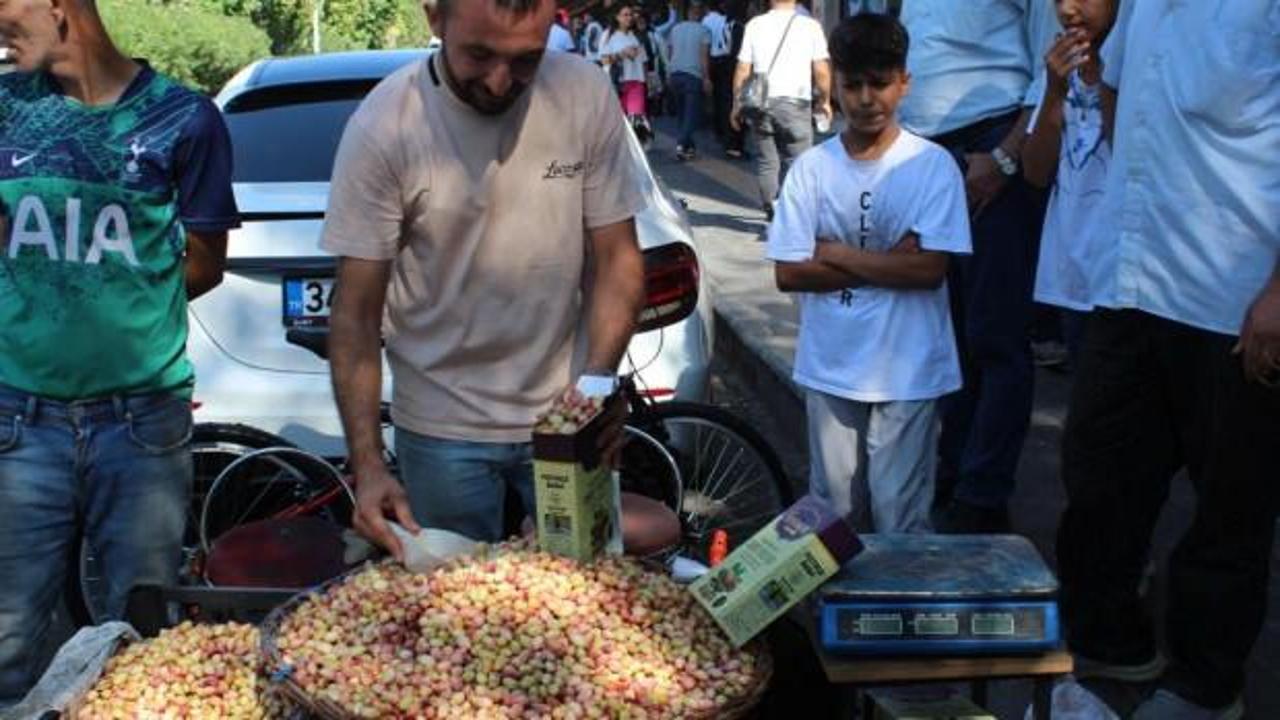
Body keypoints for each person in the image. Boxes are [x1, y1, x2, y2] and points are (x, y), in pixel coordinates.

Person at [322, 0, 646, 557]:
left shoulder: (583, 95)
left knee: (580, 612)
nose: (499, 82)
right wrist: (369, 464)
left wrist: (596, 387)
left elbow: (618, 258)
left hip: (566, 420)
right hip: (442, 431)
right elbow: (354, 315)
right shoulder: (385, 126)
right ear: (434, 17)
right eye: (479, 54)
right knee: (462, 622)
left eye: (526, 60)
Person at [0, 0, 234, 705]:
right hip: (18, 422)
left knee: (142, 642)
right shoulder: (5, 110)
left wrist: (114, 309)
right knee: (6, 640)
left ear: (58, 6)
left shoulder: (185, 120)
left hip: (141, 426)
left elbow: (205, 263)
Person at [1054, 1, 1280, 718]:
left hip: (1233, 297)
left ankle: (1207, 687)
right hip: (1131, 282)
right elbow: (1120, 98)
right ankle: (1112, 647)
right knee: (1099, 474)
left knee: (1230, 508)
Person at [766, 13, 971, 533]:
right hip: (831, 361)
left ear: (905, 82)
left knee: (899, 513)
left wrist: (832, 251)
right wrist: (891, 263)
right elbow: (789, 273)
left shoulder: (932, 165)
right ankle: (834, 615)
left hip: (910, 366)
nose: (865, 98)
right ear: (834, 82)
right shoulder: (813, 168)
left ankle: (899, 614)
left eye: (879, 84)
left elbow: (929, 269)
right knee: (831, 513)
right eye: (853, 84)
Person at [896, 0, 1060, 534]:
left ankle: (984, 493)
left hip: (990, 143)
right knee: (946, 333)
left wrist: (1008, 155)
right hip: (925, 151)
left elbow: (1048, 66)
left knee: (995, 334)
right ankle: (957, 468)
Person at [1021, 0, 1117, 364]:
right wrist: (1055, 92)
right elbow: (1035, 171)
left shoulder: (1135, 68)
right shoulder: (1060, 70)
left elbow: (1123, 147)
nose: (1068, 9)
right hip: (1074, 271)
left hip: (1120, 276)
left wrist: (1106, 76)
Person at [731, 0, 832, 223]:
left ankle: (771, 209)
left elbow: (742, 69)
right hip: (795, 103)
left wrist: (736, 104)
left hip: (760, 103)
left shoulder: (755, 25)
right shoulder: (810, 26)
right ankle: (788, 211)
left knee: (767, 161)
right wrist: (825, 101)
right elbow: (822, 70)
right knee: (798, 161)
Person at [667, 1, 714, 160]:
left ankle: (689, 147)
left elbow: (670, 52)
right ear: (699, 14)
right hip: (693, 76)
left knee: (682, 114)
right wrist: (707, 78)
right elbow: (704, 56)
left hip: (675, 74)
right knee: (692, 115)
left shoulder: (675, 29)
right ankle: (681, 144)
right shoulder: (704, 31)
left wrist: (669, 72)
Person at [600, 4, 652, 142]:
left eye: (630, 14)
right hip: (617, 84)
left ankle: (637, 154)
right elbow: (604, 60)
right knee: (619, 124)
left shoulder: (636, 35)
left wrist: (647, 82)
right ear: (617, 17)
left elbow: (644, 61)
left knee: (637, 122)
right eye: (625, 15)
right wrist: (622, 54)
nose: (629, 17)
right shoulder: (608, 35)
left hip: (636, 83)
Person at [702, 1, 737, 153]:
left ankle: (717, 128)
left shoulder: (705, 20)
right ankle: (724, 129)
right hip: (724, 60)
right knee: (725, 98)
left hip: (712, 59)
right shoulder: (724, 21)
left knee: (716, 98)